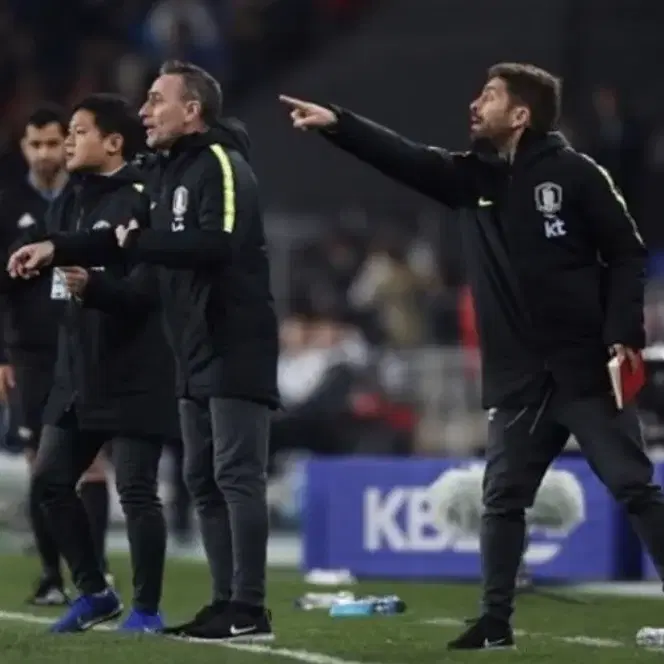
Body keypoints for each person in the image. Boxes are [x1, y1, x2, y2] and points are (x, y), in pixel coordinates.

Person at [277, 63, 664, 650]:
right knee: (502, 500)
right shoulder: (470, 178)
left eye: (490, 95)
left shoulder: (578, 175)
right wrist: (340, 126)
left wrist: (623, 335)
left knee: (635, 488)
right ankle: (495, 622)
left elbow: (629, 255)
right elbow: (404, 157)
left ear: (521, 114)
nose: (475, 104)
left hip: (583, 370)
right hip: (518, 378)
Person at [9, 61, 279, 642]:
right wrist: (52, 248)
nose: (144, 112)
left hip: (217, 343)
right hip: (183, 347)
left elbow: (219, 243)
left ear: (193, 109)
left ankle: (245, 606)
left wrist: (133, 250)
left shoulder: (217, 165)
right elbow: (114, 242)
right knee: (203, 480)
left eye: (157, 100)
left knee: (232, 477)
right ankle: (222, 601)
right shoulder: (159, 175)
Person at [28, 93, 178, 633]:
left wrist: (94, 288)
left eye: (78, 131)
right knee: (48, 481)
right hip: (77, 370)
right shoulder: (64, 203)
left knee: (136, 490)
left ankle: (147, 609)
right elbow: (62, 291)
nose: (68, 140)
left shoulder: (143, 198)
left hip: (136, 368)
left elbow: (145, 295)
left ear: (113, 142)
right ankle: (93, 591)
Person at [0, 105, 111, 606]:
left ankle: (97, 571)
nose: (45, 153)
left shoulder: (88, 197)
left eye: (53, 143)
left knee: (92, 464)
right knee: (38, 463)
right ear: (24, 147)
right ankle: (51, 575)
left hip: (84, 344)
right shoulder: (7, 204)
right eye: (36, 144)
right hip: (29, 352)